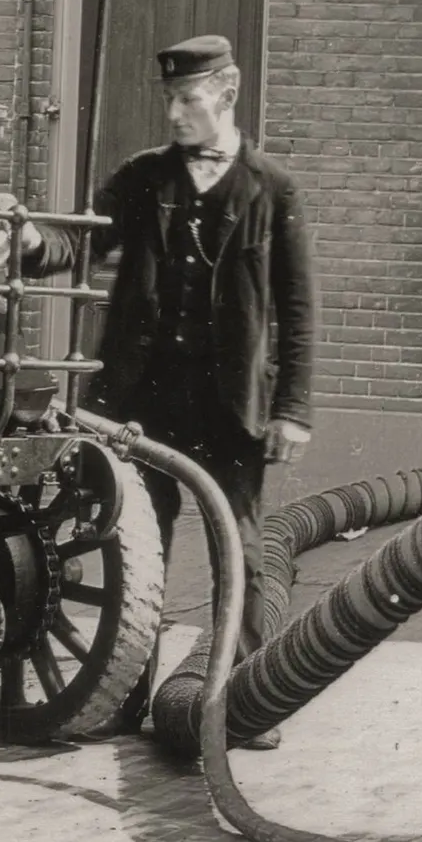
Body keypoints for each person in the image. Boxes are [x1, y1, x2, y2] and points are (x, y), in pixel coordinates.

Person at [89, 35, 318, 654]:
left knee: (239, 547)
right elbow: (79, 241)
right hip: (144, 399)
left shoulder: (273, 188)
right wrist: (28, 241)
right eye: (168, 98)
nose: (173, 113)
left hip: (230, 405)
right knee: (138, 553)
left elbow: (298, 308)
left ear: (227, 92)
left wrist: (292, 410)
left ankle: (240, 688)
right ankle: (128, 687)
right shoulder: (142, 177)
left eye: (187, 99)